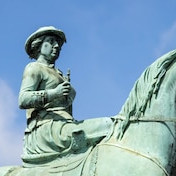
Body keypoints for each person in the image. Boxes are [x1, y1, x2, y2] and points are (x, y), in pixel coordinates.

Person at [19, 26, 112, 164]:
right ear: (38, 46)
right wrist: (54, 93)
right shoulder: (34, 68)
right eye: (50, 41)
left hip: (65, 126)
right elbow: (23, 99)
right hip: (46, 129)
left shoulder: (59, 73)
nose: (56, 46)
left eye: (58, 44)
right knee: (108, 125)